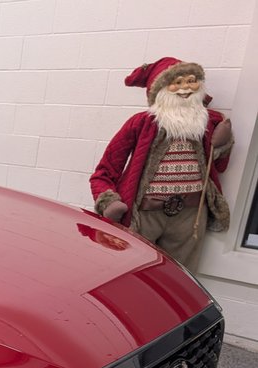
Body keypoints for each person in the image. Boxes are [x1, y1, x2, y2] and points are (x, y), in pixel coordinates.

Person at [90, 57, 233, 266]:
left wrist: (222, 144)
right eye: (176, 82)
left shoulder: (209, 122)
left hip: (190, 216)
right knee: (131, 270)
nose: (184, 88)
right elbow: (105, 169)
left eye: (191, 81)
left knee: (182, 275)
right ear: (159, 89)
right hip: (144, 214)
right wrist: (108, 201)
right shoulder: (141, 123)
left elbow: (219, 166)